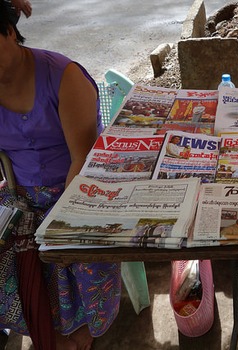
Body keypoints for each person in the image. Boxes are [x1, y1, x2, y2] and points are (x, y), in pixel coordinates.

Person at [0, 3, 121, 350]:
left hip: (78, 187)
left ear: (9, 32)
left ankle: (82, 333)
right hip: (20, 192)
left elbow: (81, 160)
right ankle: (45, 329)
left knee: (75, 253)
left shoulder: (63, 76)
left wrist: (58, 230)